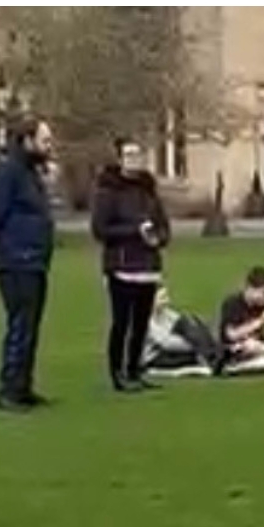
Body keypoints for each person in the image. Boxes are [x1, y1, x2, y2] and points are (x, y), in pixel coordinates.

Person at [0, 114, 56, 412]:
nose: (49, 146)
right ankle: (8, 390)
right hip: (16, 260)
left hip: (35, 261)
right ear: (27, 140)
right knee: (20, 326)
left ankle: (23, 386)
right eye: (45, 140)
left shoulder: (30, 173)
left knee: (30, 326)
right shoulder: (7, 172)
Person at [91, 139, 172, 394]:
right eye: (129, 154)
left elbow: (163, 226)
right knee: (121, 323)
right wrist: (135, 231)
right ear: (120, 159)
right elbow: (100, 229)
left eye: (138, 154)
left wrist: (158, 238)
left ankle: (135, 370)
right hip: (122, 266)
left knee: (141, 323)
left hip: (148, 266)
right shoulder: (108, 191)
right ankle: (117, 374)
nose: (134, 159)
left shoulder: (149, 190)